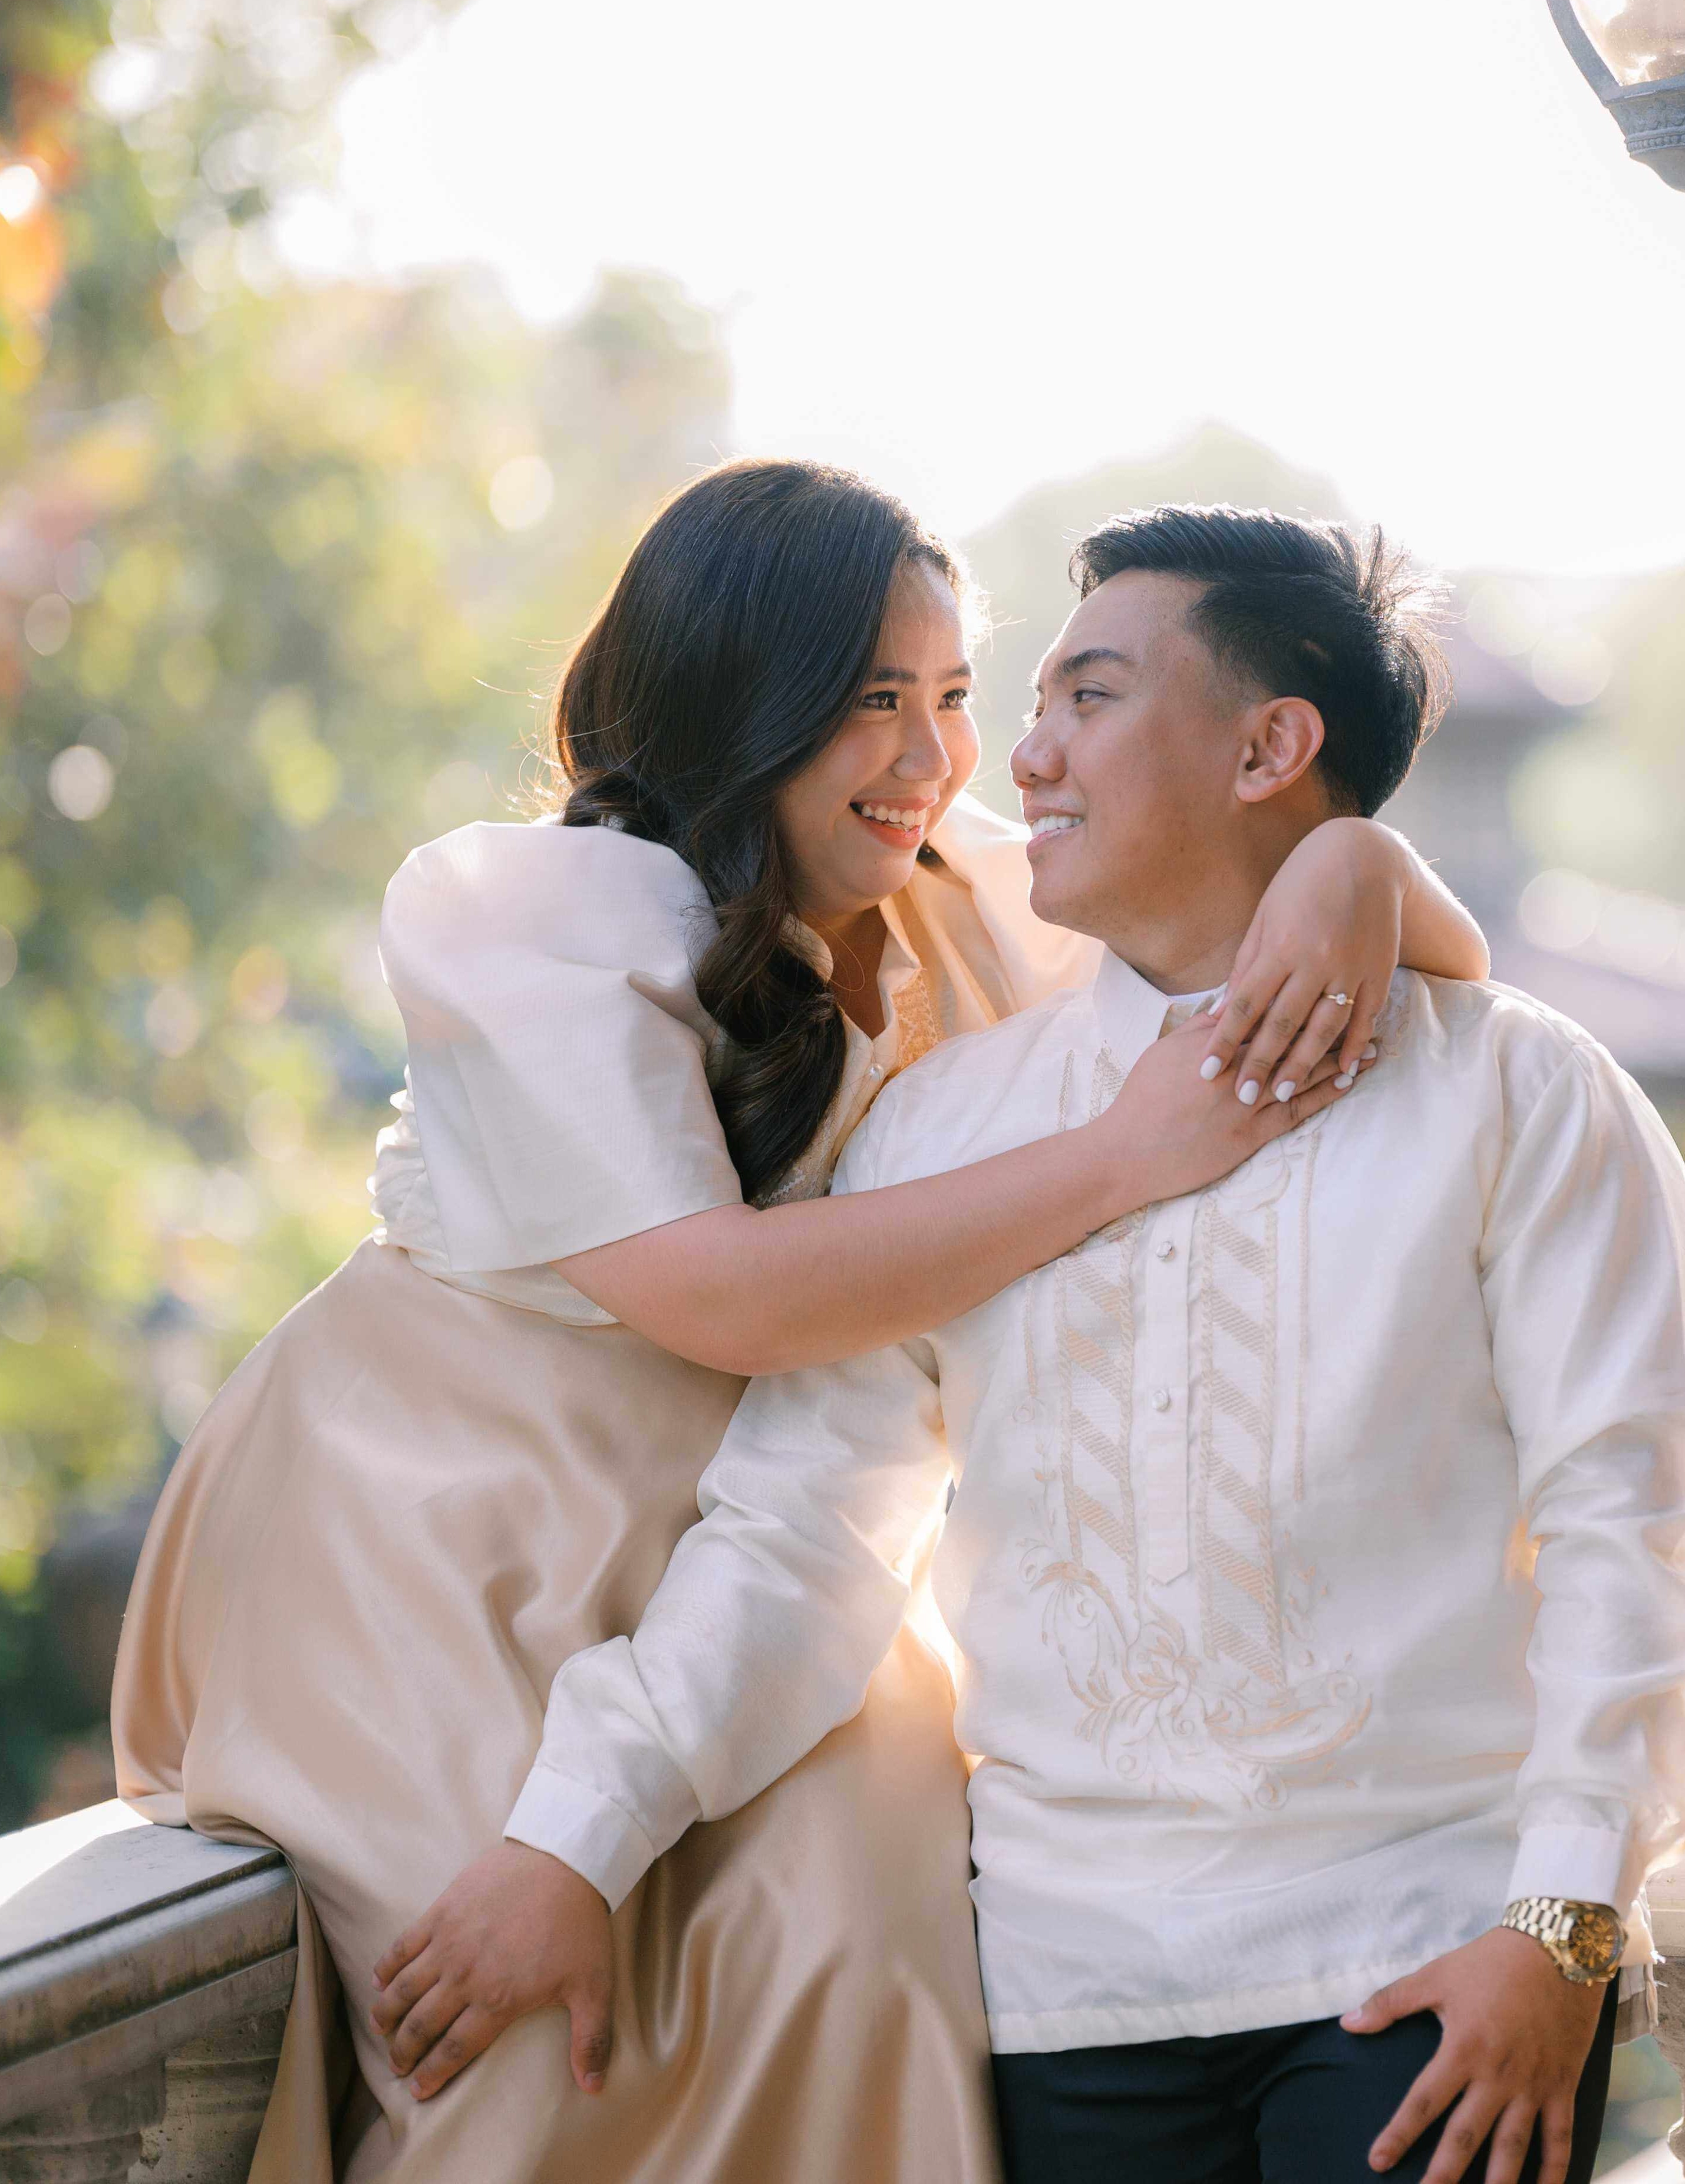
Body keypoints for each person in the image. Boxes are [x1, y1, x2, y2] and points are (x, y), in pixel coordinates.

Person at [113, 462, 1490, 2184]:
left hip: (765, 1513)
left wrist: (1357, 861)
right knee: (538, 2032)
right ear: (735, 698)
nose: (936, 757)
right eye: (870, 700)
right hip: (437, 1513)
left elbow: (1329, 919)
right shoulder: (547, 919)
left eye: (952, 697)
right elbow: (719, 1294)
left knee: (877, 1931)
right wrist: (1125, 1154)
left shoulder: (947, 888)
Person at [373, 503, 1685, 2184]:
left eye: (1085, 697)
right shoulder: (943, 1128)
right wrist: (575, 1843)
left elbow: (1631, 1528)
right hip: (1065, 1997)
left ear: (1269, 748)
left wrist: (1562, 1925)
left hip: (1427, 1959)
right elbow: (804, 1539)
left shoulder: (1519, 1093)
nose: (1011, 761)